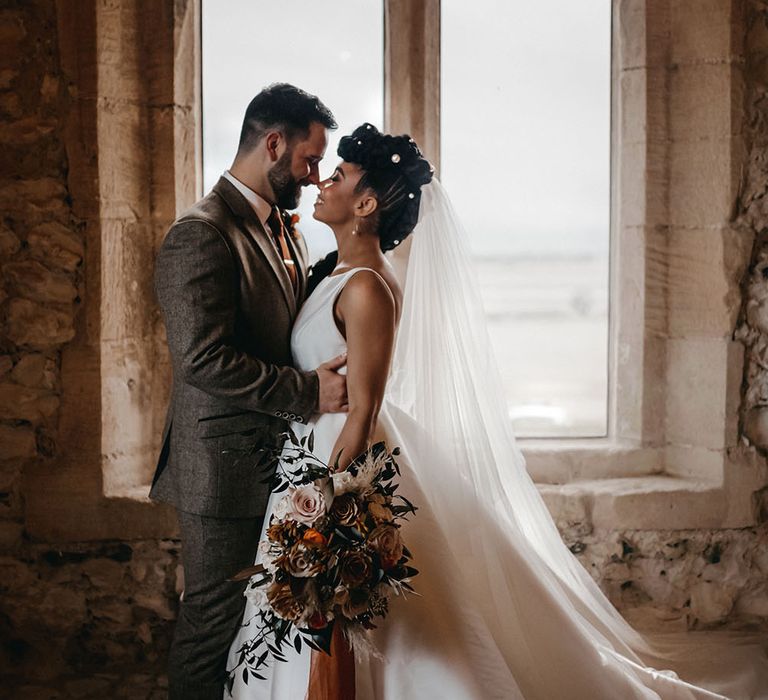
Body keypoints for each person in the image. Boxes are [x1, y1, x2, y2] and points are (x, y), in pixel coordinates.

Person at [226, 124, 768, 699]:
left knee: (378, 620)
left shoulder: (366, 289)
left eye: (337, 177)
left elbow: (363, 412)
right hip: (309, 456)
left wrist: (328, 512)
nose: (322, 183)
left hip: (340, 463)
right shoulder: (334, 274)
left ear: (364, 204)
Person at [151, 83, 350, 700]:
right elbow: (202, 360)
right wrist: (310, 392)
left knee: (253, 631)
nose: (316, 176)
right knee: (213, 626)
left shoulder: (284, 230)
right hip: (223, 467)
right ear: (272, 144)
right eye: (309, 160)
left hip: (277, 462)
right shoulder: (201, 233)